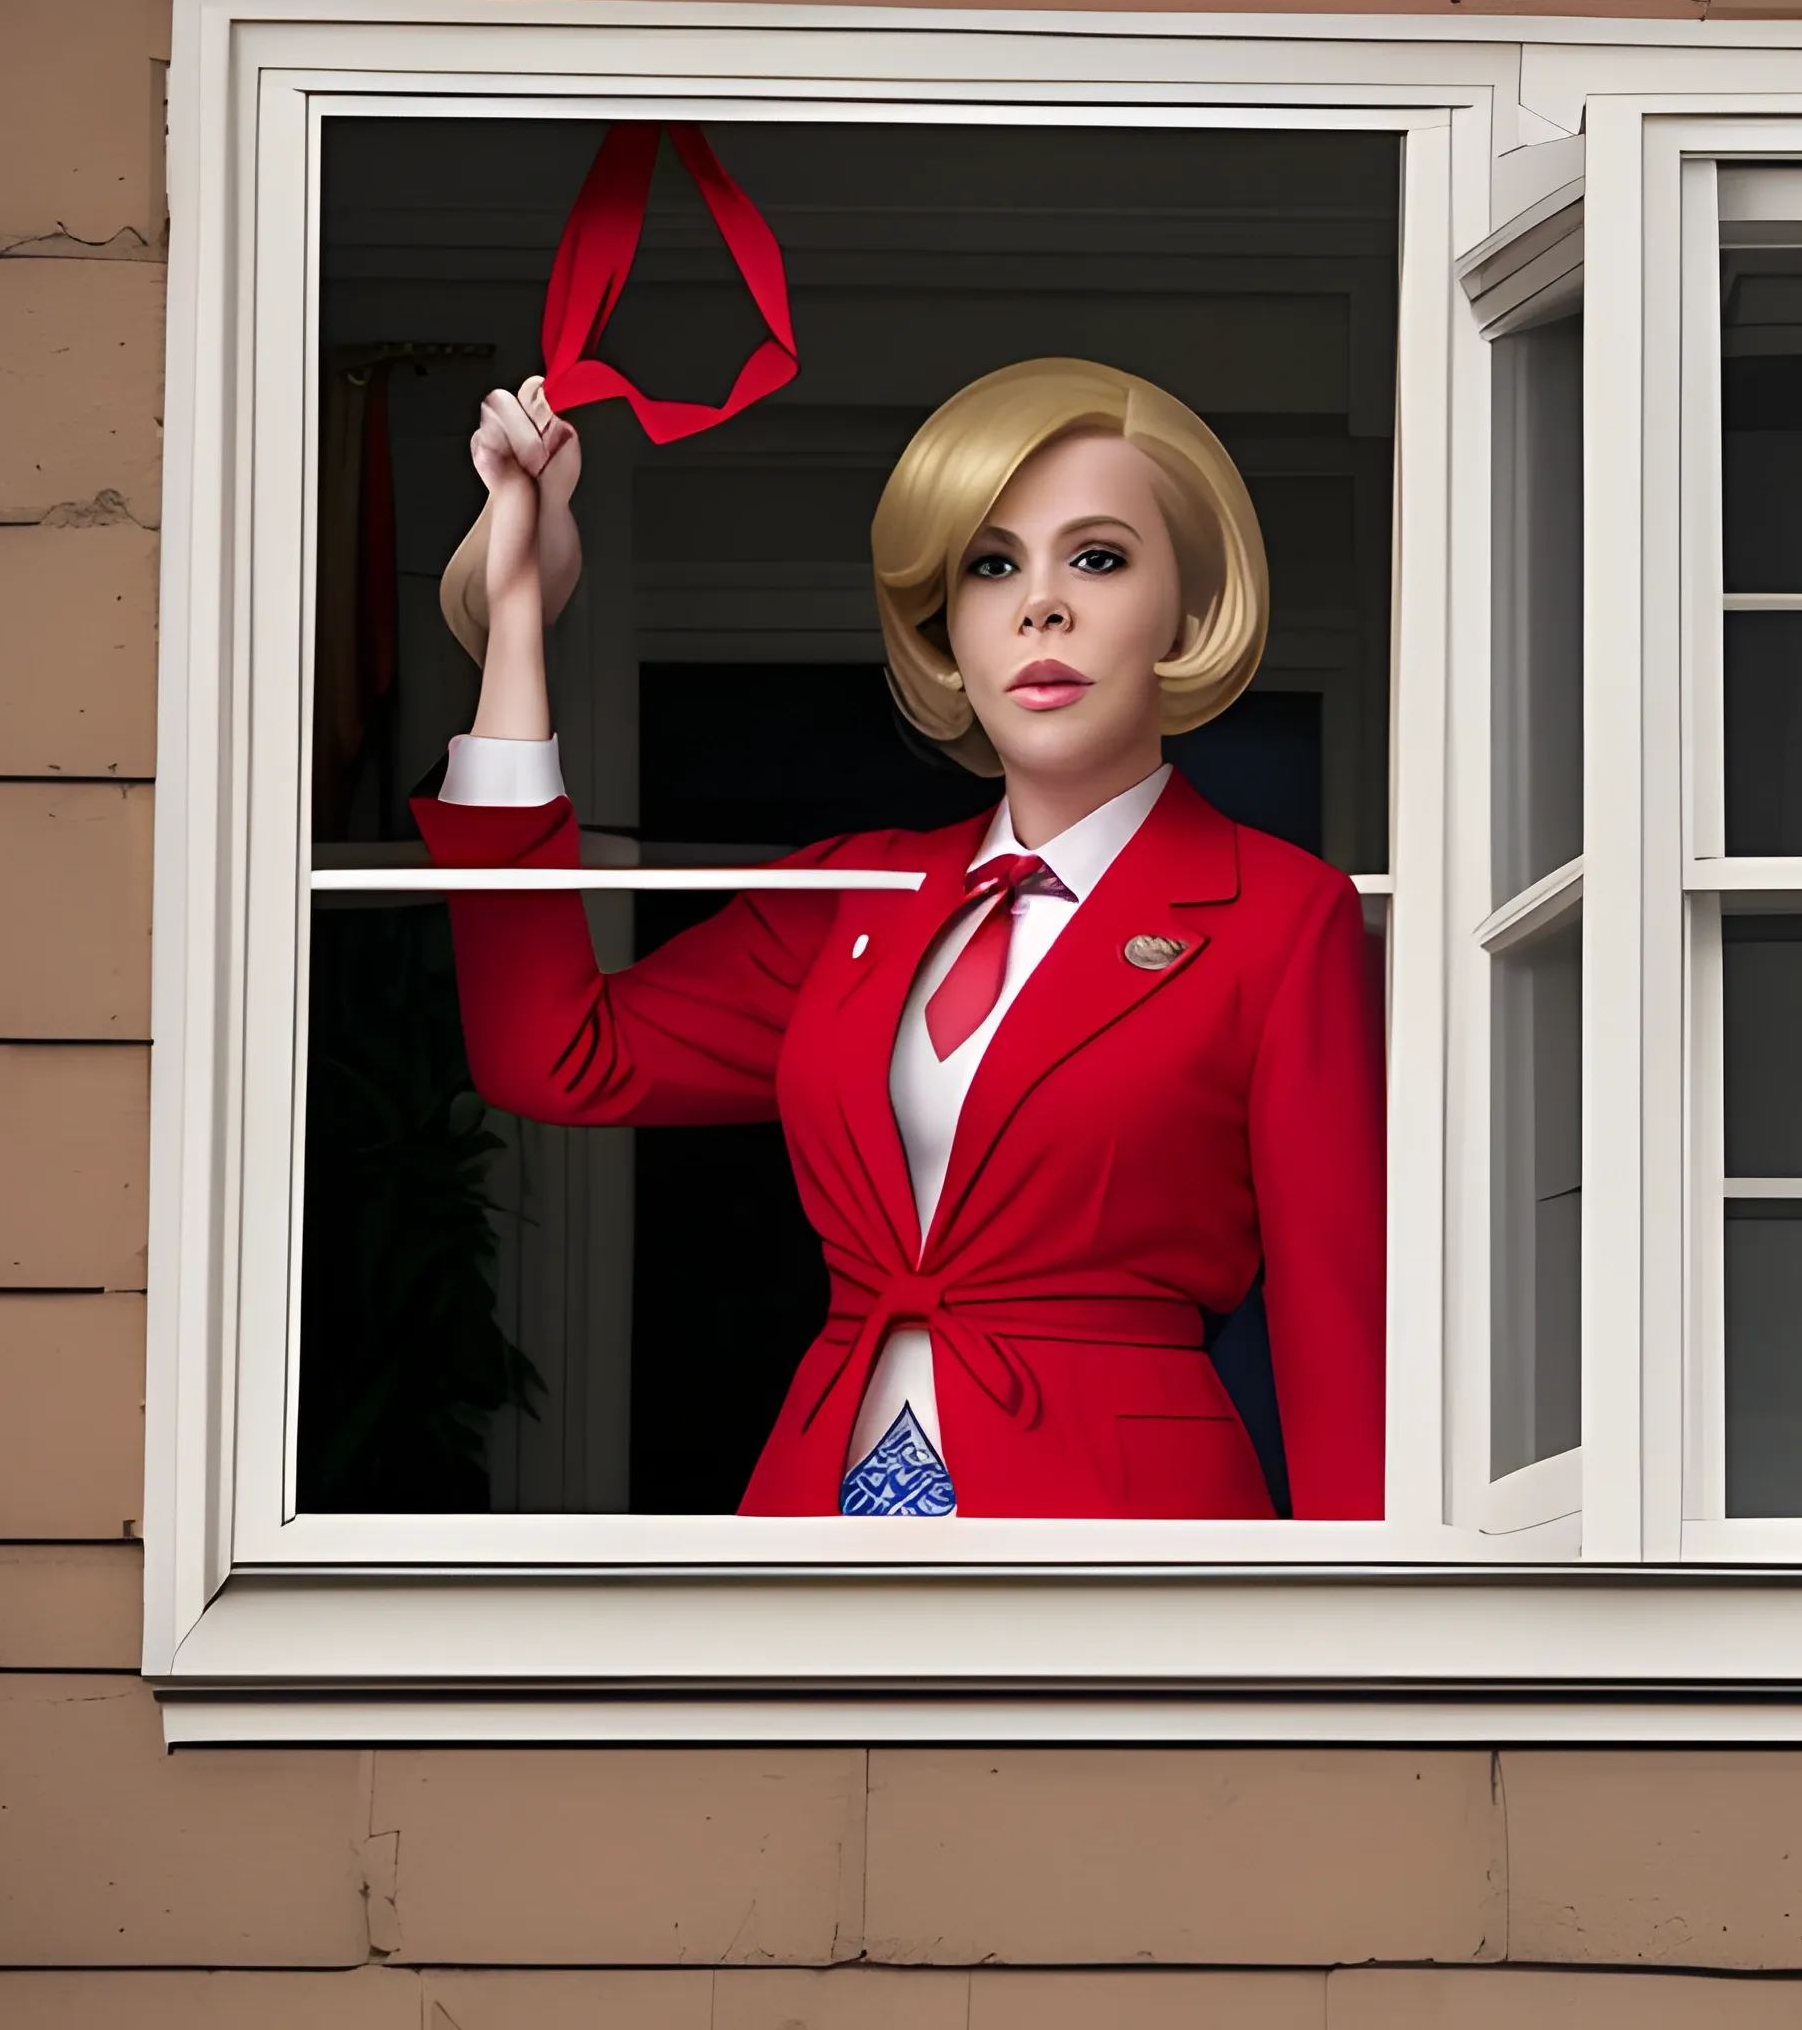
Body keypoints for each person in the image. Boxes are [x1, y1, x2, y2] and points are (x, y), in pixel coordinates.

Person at [412, 357, 1386, 1519]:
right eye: (989, 564)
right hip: (817, 1528)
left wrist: (1362, 1662)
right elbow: (552, 1051)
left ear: (1186, 605)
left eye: (1097, 556)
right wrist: (519, 617)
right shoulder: (856, 893)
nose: (1040, 603)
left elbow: (1340, 1328)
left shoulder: (1283, 914)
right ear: (945, 622)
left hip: (1129, 1542)